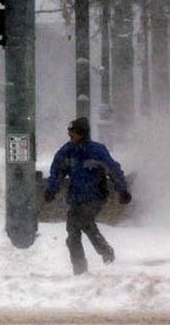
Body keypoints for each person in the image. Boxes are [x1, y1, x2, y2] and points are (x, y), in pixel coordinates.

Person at [44, 117, 132, 275]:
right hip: (76, 198)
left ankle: (85, 265)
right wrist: (52, 189)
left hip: (96, 196)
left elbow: (113, 170)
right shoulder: (66, 152)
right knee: (76, 230)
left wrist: (122, 190)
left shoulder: (97, 151)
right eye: (69, 133)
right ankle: (90, 261)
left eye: (73, 133)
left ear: (82, 133)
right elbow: (56, 172)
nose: (70, 136)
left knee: (79, 222)